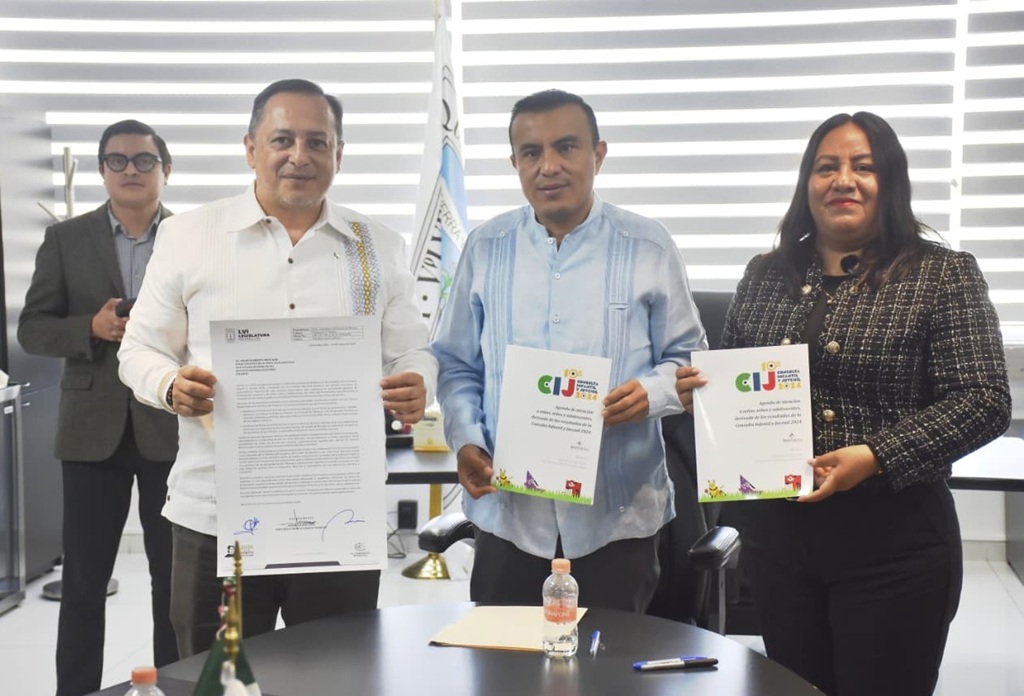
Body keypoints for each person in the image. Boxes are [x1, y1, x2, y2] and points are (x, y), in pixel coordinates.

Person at [676, 112, 1011, 695]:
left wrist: (877, 453)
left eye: (863, 166)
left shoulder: (942, 275)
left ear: (892, 182)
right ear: (807, 184)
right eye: (826, 167)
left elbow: (983, 400)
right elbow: (731, 381)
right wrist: (698, 398)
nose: (843, 180)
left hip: (895, 545)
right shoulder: (764, 275)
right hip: (778, 544)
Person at [117, 78, 437, 656]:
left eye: (318, 142)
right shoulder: (189, 236)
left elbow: (412, 350)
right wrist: (170, 385)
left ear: (339, 154)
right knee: (215, 678)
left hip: (337, 516)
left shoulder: (378, 245)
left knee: (338, 676)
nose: (300, 156)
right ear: (250, 148)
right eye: (282, 139)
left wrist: (417, 382)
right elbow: (138, 349)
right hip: (215, 512)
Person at [432, 89, 706, 612]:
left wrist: (651, 393)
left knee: (609, 675)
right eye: (531, 153)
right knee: (502, 673)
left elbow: (690, 362)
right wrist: (466, 439)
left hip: (615, 518)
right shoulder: (486, 248)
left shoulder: (648, 246)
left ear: (598, 155)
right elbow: (456, 363)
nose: (548, 166)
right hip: (509, 516)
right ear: (515, 163)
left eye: (566, 147)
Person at [18, 119, 179, 696]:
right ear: (101, 171)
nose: (130, 170)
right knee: (84, 583)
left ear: (166, 168)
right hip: (90, 431)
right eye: (116, 160)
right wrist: (90, 326)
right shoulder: (65, 239)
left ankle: (176, 687)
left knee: (175, 582)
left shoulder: (193, 238)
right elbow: (32, 329)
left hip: (175, 426)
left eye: (143, 160)